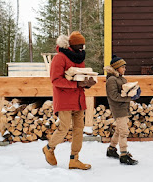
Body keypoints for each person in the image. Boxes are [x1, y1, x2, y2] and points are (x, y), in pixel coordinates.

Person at [42, 31, 96, 170]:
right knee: (64, 128)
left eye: (83, 45)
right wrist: (76, 84)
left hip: (79, 99)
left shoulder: (80, 59)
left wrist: (87, 83)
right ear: (72, 44)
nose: (82, 48)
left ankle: (74, 159)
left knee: (79, 130)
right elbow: (55, 80)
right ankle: (49, 148)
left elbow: (80, 78)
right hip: (64, 100)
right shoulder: (60, 58)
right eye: (80, 45)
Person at [104, 55, 141, 165]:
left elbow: (125, 90)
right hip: (118, 108)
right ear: (116, 68)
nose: (125, 69)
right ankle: (124, 155)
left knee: (119, 130)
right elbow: (114, 96)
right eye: (123, 67)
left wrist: (134, 91)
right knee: (124, 131)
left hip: (124, 107)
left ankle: (111, 149)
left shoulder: (121, 78)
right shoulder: (111, 80)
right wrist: (130, 97)